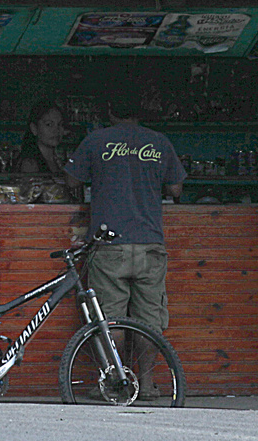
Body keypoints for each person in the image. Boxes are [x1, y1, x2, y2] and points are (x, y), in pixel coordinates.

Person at [63, 95, 185, 348]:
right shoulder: (158, 141)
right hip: (149, 242)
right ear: (140, 111)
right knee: (150, 322)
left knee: (109, 321)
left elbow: (72, 180)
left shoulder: (96, 140)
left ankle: (114, 385)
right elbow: (175, 189)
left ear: (109, 110)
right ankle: (147, 385)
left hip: (109, 246)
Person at [15, 101, 70, 178]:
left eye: (60, 124)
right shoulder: (30, 164)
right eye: (49, 124)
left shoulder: (60, 161)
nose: (56, 130)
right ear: (34, 128)